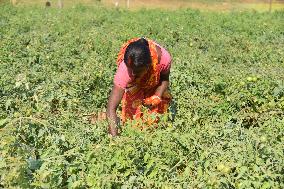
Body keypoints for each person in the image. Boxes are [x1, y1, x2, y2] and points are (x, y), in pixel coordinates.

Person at [107, 37, 172, 137]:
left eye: (137, 71)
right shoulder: (125, 70)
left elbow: (164, 79)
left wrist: (157, 96)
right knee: (131, 121)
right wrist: (114, 139)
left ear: (148, 66)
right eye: (131, 69)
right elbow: (111, 108)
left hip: (154, 82)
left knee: (155, 122)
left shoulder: (163, 59)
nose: (132, 73)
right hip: (134, 85)